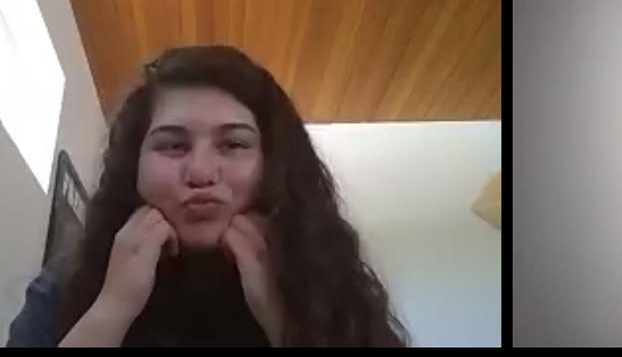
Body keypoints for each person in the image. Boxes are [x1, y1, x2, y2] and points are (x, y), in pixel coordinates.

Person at [5, 45, 408, 346]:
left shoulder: (329, 280)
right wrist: (112, 307)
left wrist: (280, 315)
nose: (200, 173)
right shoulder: (68, 281)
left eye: (233, 145)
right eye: (172, 146)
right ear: (135, 166)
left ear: (275, 163)